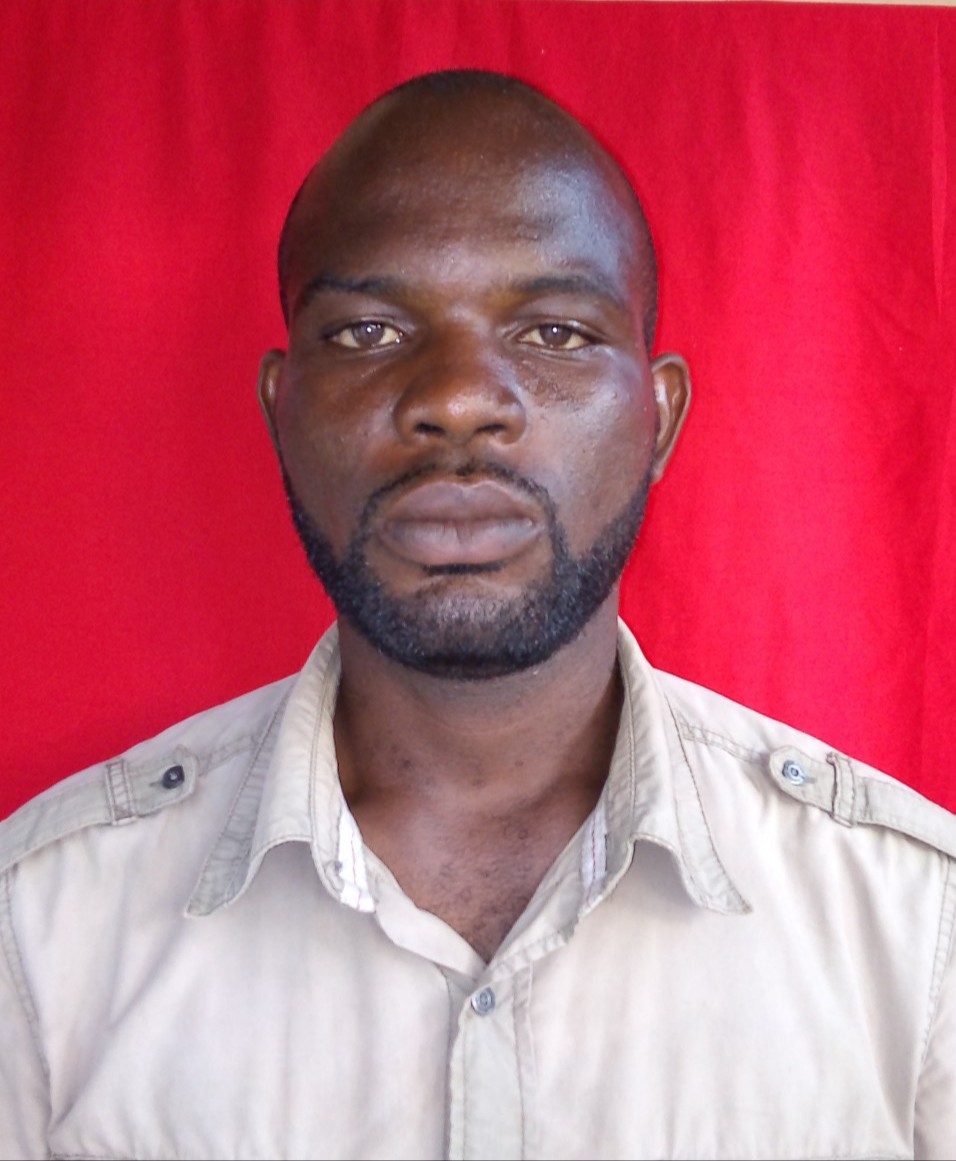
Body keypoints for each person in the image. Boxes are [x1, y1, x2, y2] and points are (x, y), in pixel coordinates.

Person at [1, 68, 954, 1161]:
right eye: (368, 332)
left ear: (658, 419)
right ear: (279, 411)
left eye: (555, 332)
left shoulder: (915, 933)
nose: (456, 399)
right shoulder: (41, 933)